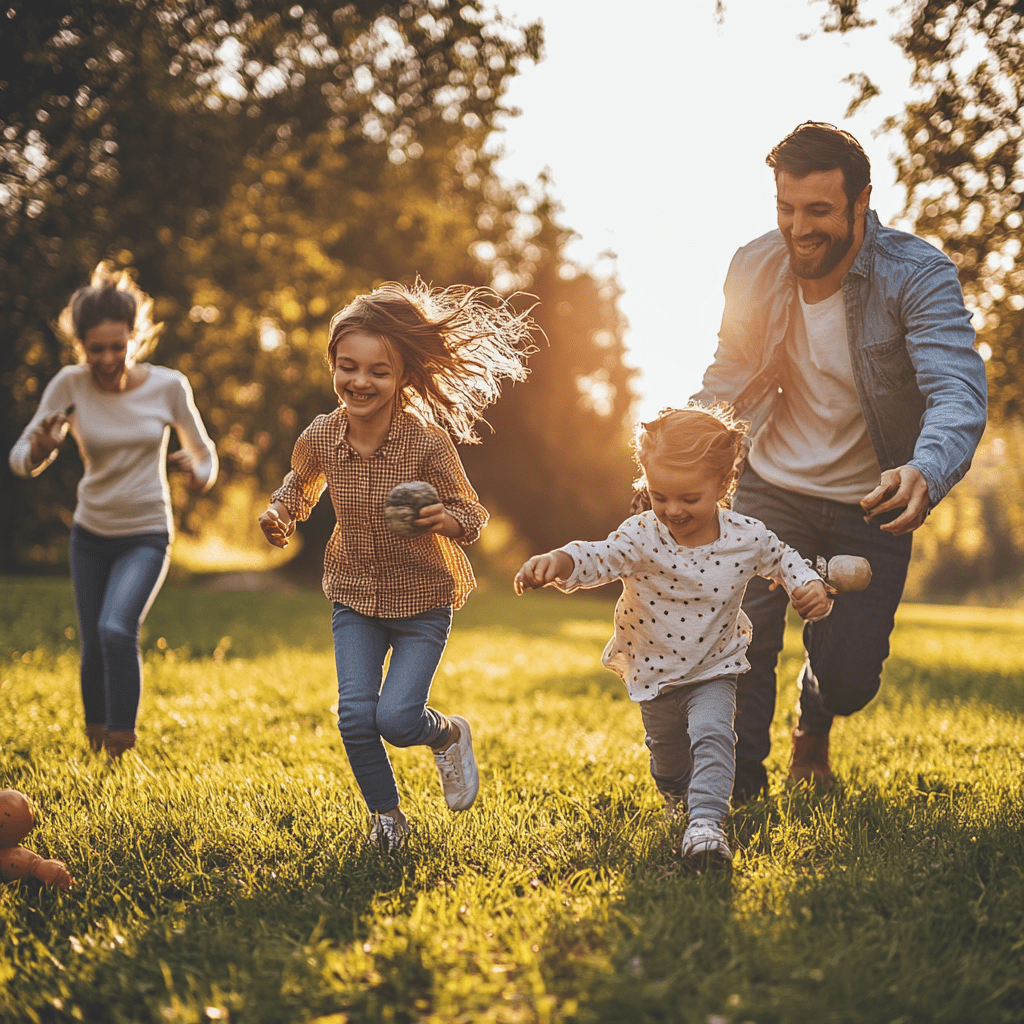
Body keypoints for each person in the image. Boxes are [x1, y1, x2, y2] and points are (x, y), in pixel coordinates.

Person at [692, 122, 988, 802]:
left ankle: (816, 715)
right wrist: (685, 451)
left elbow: (957, 388)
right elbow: (728, 377)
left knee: (850, 678)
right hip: (771, 484)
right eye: (786, 209)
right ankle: (734, 792)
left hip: (873, 500)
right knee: (746, 638)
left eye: (819, 211)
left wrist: (926, 468)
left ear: (861, 204)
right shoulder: (753, 266)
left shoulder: (916, 274)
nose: (799, 228)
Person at [259, 281, 534, 851]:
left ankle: (448, 733)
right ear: (333, 366)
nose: (360, 382)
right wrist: (281, 514)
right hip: (354, 595)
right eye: (347, 366)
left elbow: (471, 512)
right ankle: (388, 820)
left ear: (403, 376)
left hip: (422, 601)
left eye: (378, 371)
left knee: (396, 720)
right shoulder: (322, 436)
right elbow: (299, 485)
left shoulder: (426, 444)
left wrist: (442, 519)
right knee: (356, 717)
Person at [514, 406, 830, 871]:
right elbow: (602, 556)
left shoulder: (746, 536)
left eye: (689, 498)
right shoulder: (642, 534)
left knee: (714, 735)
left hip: (715, 666)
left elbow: (784, 559)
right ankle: (678, 798)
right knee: (667, 757)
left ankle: (706, 826)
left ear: (724, 485)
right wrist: (561, 560)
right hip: (655, 669)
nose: (674, 510)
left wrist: (806, 584)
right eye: (660, 496)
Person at [9, 264, 218, 758]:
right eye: (95, 349)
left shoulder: (168, 386)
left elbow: (206, 454)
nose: (106, 358)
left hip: (146, 532)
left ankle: (121, 744)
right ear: (79, 345)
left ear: (134, 338)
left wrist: (198, 472)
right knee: (92, 646)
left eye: (116, 347)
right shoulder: (69, 385)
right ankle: (96, 741)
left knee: (115, 628)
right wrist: (41, 448)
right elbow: (19, 459)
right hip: (90, 534)